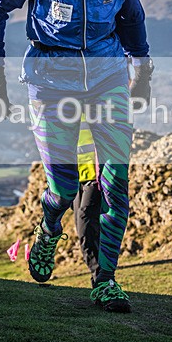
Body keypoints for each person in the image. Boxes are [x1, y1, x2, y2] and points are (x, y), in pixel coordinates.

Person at [0, 0, 152, 313]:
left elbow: (131, 16)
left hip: (108, 76)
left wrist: (142, 70)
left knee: (116, 182)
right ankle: (49, 227)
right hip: (51, 81)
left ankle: (105, 280)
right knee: (64, 184)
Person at [72, 117, 102, 289]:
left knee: (86, 221)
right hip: (76, 179)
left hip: (96, 177)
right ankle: (98, 277)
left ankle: (100, 277)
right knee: (83, 230)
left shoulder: (96, 107)